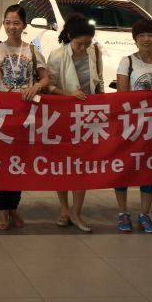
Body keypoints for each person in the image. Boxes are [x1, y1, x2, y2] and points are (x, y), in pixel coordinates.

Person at [0, 5, 49, 231]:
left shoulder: (32, 50)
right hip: (2, 114)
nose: (11, 27)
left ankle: (13, 207)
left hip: (25, 113)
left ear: (24, 25)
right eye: (8, 22)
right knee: (3, 162)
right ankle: (3, 209)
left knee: (19, 162)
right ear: (3, 24)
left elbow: (45, 78)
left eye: (16, 23)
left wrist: (36, 87)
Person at [112, 18, 152, 234]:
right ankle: (123, 213)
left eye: (150, 35)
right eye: (142, 36)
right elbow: (122, 96)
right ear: (135, 39)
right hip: (130, 125)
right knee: (123, 168)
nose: (147, 39)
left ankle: (145, 214)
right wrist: (147, 94)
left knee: (149, 169)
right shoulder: (127, 62)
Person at [45, 13, 103, 233]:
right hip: (63, 113)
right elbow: (49, 86)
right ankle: (64, 209)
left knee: (82, 164)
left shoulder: (94, 51)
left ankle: (77, 211)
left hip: (88, 114)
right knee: (63, 163)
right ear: (70, 37)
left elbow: (98, 80)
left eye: (87, 43)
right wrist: (68, 95)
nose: (84, 48)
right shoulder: (57, 55)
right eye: (80, 44)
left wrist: (102, 103)